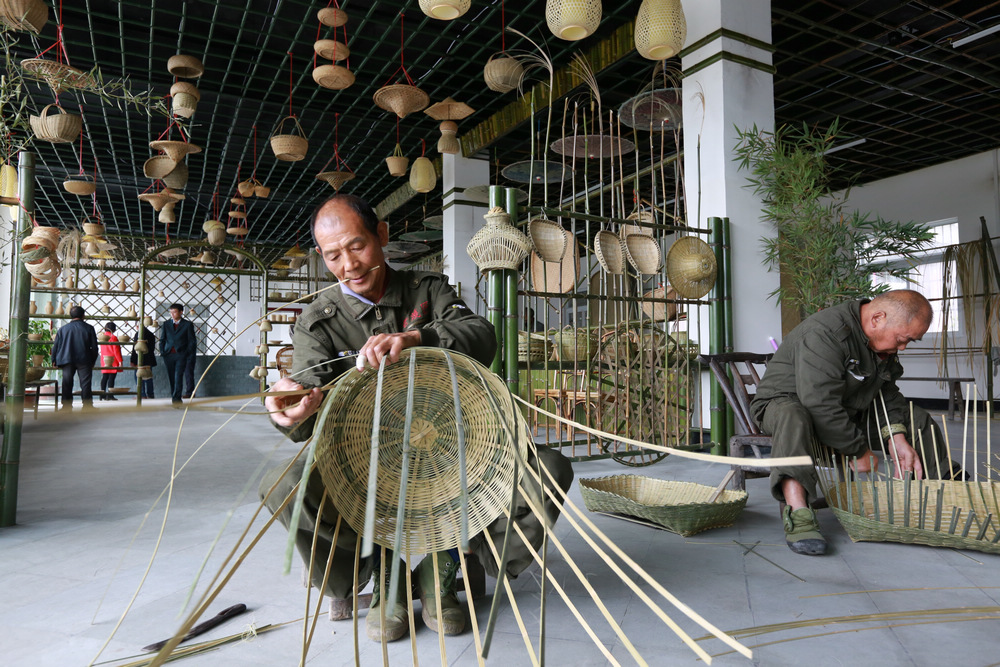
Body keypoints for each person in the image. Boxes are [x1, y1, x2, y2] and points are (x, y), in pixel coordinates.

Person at [261, 193, 574, 643]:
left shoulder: (428, 290)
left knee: (549, 470)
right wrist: (291, 412)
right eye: (333, 255)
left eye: (357, 246)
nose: (348, 264)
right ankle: (371, 568)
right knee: (286, 486)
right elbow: (304, 418)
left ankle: (454, 557)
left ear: (381, 235)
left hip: (450, 450)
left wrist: (417, 337)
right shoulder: (318, 320)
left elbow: (482, 337)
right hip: (362, 465)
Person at [751, 290, 961, 556]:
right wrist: (858, 450)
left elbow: (886, 393)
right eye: (902, 339)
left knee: (918, 420)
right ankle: (798, 511)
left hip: (847, 410)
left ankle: (942, 495)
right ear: (877, 318)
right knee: (795, 417)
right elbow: (819, 404)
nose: (904, 347)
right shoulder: (824, 333)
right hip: (786, 406)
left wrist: (896, 435)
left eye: (910, 341)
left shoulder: (880, 340)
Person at [51, 305, 99, 410]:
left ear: (70, 316)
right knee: (85, 383)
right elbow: (94, 347)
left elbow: (56, 346)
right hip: (84, 359)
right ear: (83, 315)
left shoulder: (63, 329)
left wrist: (53, 360)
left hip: (66, 359)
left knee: (67, 383)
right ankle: (87, 406)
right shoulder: (89, 328)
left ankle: (66, 407)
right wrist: (93, 360)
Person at [159, 303, 196, 404]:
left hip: (181, 355)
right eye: (171, 312)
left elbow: (192, 341)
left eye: (174, 312)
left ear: (181, 312)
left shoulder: (187, 325)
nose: (172, 314)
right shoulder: (166, 324)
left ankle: (176, 399)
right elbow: (162, 339)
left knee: (178, 376)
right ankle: (174, 396)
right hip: (168, 354)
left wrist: (186, 353)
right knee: (171, 377)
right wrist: (162, 351)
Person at [130, 325, 157, 399]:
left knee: (139, 376)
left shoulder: (139, 334)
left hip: (141, 359)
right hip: (148, 359)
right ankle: (150, 394)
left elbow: (135, 349)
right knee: (148, 376)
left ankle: (142, 394)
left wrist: (133, 360)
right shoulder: (150, 334)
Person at [98, 322, 123, 401]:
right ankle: (110, 395)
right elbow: (116, 351)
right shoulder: (113, 337)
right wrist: (120, 361)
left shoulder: (102, 337)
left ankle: (102, 395)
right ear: (114, 329)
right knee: (111, 378)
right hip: (112, 360)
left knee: (104, 377)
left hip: (104, 359)